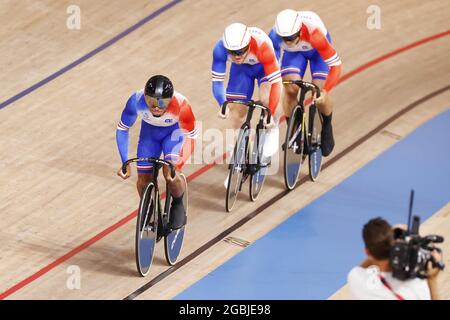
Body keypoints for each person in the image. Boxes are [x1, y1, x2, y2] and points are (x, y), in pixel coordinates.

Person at [116, 75, 197, 230]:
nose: (156, 107)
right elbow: (122, 128)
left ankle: (178, 204)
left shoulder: (181, 105)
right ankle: (150, 208)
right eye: (151, 102)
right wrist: (124, 161)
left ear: (170, 100)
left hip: (173, 136)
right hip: (149, 137)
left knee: (169, 174)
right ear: (145, 97)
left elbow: (192, 136)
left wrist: (177, 165)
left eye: (162, 103)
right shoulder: (136, 100)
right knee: (143, 179)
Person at [211, 22, 282, 185]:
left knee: (265, 97)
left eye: (240, 51)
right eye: (232, 52)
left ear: (248, 44)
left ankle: (273, 129)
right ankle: (240, 161)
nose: (236, 56)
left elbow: (276, 84)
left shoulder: (262, 46)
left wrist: (270, 112)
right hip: (241, 70)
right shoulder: (220, 49)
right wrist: (222, 103)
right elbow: (217, 82)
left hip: (264, 68)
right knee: (236, 114)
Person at [269, 9, 342, 156]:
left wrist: (326, 90)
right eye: (284, 38)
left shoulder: (315, 34)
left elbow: (336, 66)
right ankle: (294, 130)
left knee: (318, 93)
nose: (288, 41)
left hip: (317, 54)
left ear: (300, 30)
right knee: (289, 90)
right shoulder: (275, 36)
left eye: (291, 37)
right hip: (295, 54)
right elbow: (271, 64)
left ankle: (327, 126)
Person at [347, 217, 443, 300]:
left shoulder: (355, 279)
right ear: (393, 244)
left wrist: (382, 244)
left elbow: (361, 268)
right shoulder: (416, 286)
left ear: (367, 252)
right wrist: (432, 280)